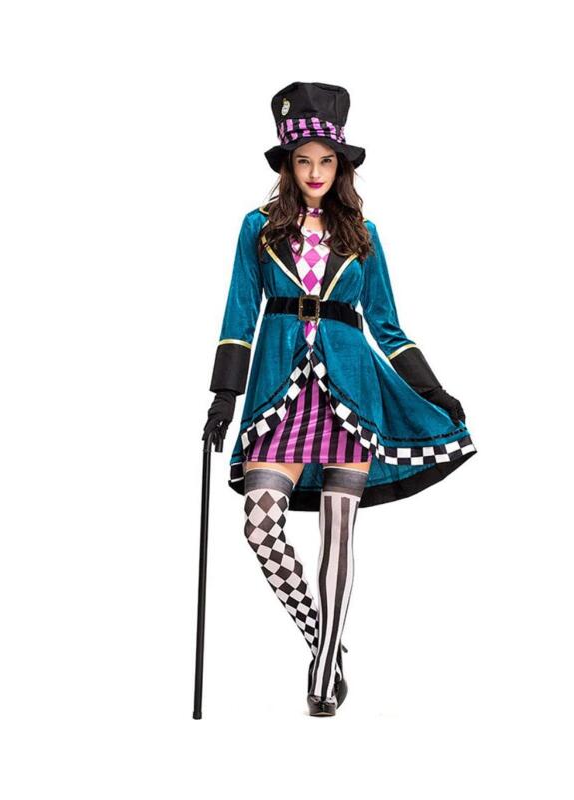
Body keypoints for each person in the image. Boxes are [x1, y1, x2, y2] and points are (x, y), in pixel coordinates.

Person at [203, 82, 477, 716]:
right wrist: (224, 395)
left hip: (351, 391)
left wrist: (432, 389)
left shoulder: (364, 235)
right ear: (288, 165)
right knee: (260, 525)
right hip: (278, 388)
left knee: (338, 535)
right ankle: (321, 638)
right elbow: (240, 312)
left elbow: (387, 326)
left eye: (326, 161)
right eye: (303, 161)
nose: (315, 173)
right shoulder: (257, 228)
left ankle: (324, 673)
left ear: (341, 165)